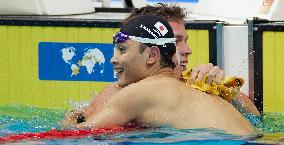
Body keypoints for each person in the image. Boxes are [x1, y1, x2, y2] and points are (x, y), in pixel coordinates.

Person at [62, 3, 259, 126]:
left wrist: (223, 91)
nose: (186, 49)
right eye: (175, 41)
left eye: (184, 40)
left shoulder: (194, 82)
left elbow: (256, 118)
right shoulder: (117, 93)